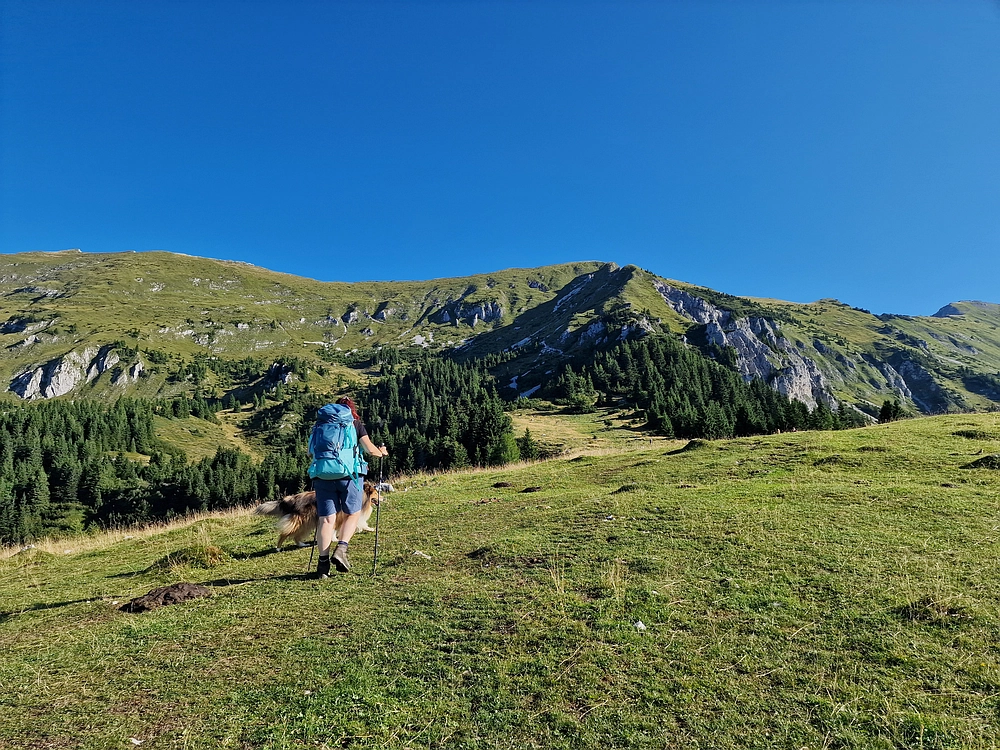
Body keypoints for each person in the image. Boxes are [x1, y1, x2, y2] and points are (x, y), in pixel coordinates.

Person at [310, 397, 387, 578]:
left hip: (322, 475)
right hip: (349, 476)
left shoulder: (320, 426)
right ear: (351, 410)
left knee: (326, 520)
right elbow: (370, 449)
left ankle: (322, 566)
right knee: (352, 514)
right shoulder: (355, 424)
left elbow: (310, 451)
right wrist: (382, 452)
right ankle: (341, 549)